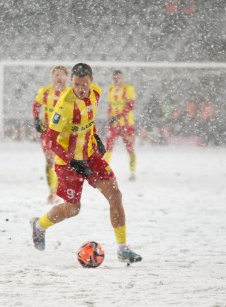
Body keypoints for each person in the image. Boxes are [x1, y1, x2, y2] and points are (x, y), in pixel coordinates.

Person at [30, 63, 142, 264]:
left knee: (115, 195)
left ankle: (123, 248)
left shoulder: (96, 93)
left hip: (91, 155)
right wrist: (72, 161)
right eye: (76, 84)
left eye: (84, 84)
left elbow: (88, 121)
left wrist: (96, 137)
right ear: (71, 82)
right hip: (67, 163)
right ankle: (39, 225)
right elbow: (51, 140)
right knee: (73, 209)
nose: (81, 88)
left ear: (91, 81)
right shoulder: (64, 106)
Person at [32, 66, 69, 204]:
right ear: (52, 76)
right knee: (49, 161)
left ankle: (61, 191)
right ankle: (52, 191)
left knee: (63, 163)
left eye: (61, 75)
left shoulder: (70, 93)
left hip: (64, 132)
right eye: (56, 74)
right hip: (48, 131)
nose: (59, 77)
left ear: (66, 77)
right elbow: (36, 105)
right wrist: (36, 120)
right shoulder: (46, 91)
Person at [104, 70, 138, 181]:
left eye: (119, 77)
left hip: (127, 125)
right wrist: (110, 118)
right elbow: (110, 106)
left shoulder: (128, 89)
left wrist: (118, 116)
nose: (117, 80)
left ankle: (132, 172)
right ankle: (104, 172)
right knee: (108, 147)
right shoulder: (110, 89)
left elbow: (130, 105)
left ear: (123, 78)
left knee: (129, 147)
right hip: (114, 125)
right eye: (115, 78)